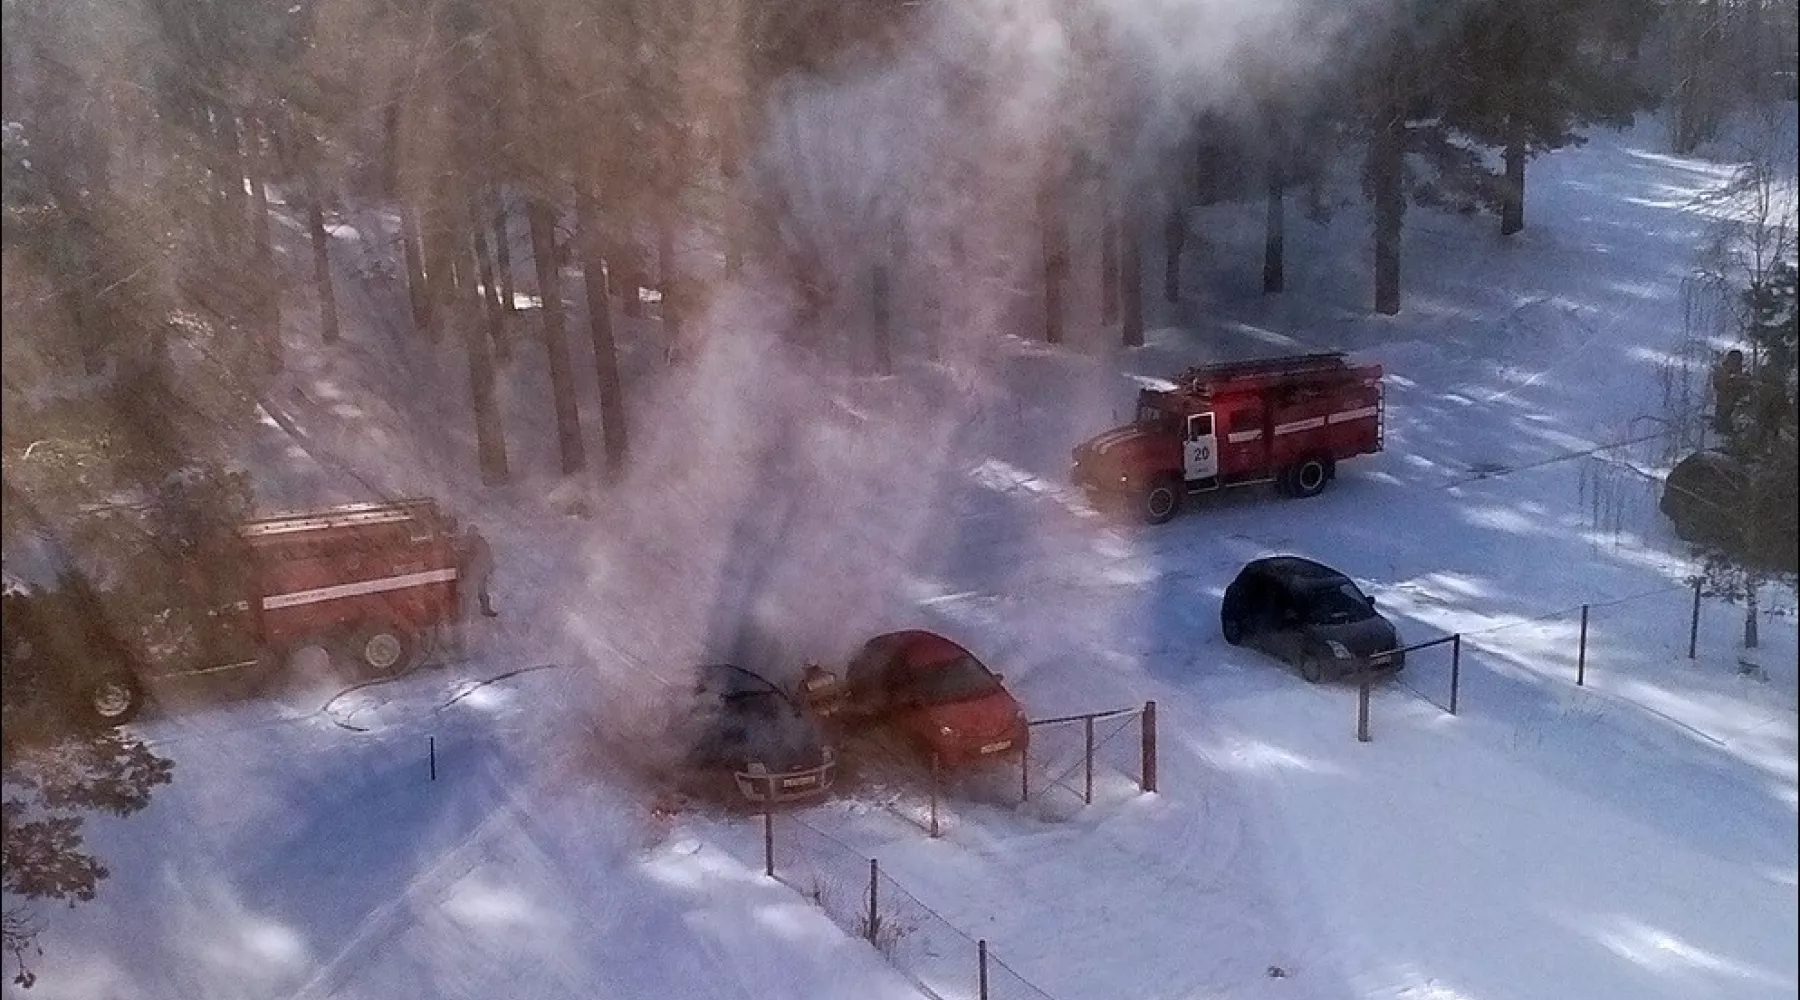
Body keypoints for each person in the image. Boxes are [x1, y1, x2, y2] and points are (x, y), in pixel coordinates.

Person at [456, 525, 497, 619]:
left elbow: (487, 555)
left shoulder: (481, 542)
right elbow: (459, 556)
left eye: (474, 532)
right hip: (469, 572)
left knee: (481, 591)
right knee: (465, 592)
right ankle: (463, 612)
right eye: (471, 532)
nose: (473, 534)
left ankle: (485, 609)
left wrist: (490, 567)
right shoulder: (465, 542)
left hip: (479, 571)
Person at [1711, 348, 1747, 436]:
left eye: (1738, 360)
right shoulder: (1721, 371)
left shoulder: (1742, 373)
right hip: (1724, 406)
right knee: (1723, 430)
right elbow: (1718, 385)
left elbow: (1745, 388)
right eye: (1734, 359)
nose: (1736, 362)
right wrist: (1731, 381)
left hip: (1738, 408)